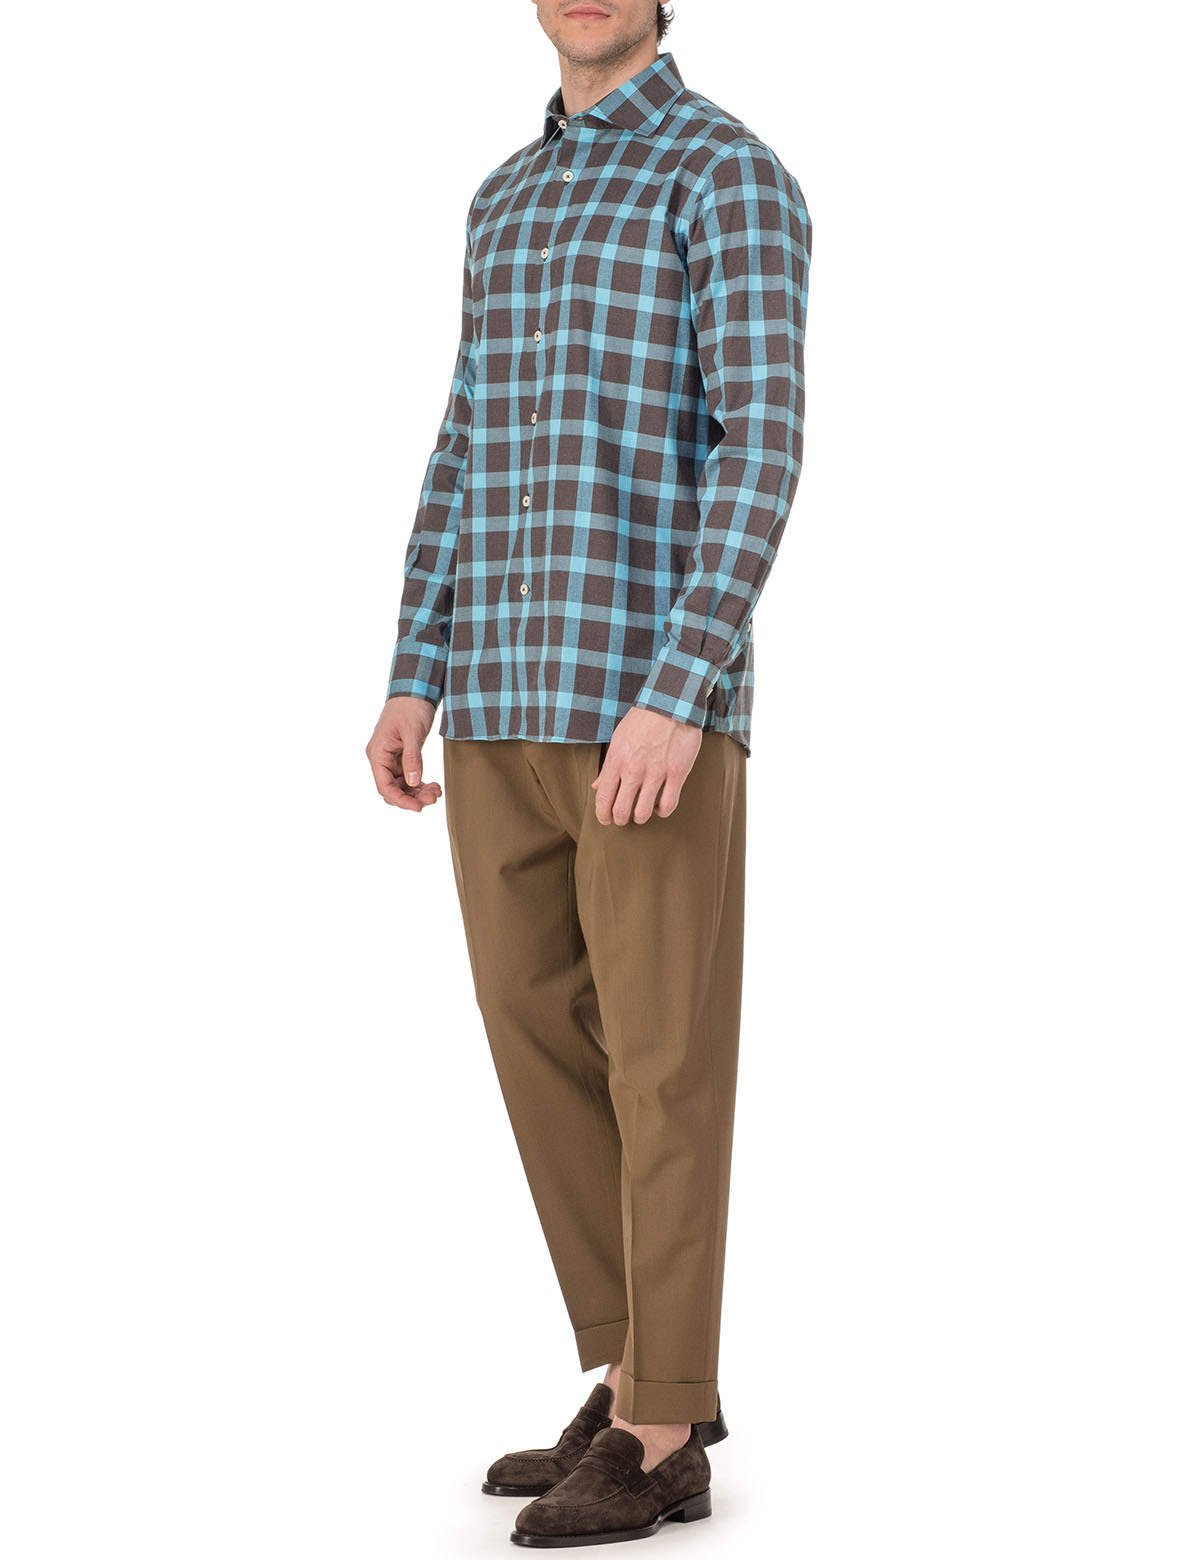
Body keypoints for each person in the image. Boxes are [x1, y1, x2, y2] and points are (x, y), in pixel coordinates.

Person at [365, 1, 810, 1545]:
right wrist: (416, 665)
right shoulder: (501, 199)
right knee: (532, 1029)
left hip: (644, 707)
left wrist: (681, 689)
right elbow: (466, 443)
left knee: (664, 1060)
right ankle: (636, 1372)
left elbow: (760, 440)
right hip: (498, 694)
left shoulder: (726, 172)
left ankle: (664, 1429)